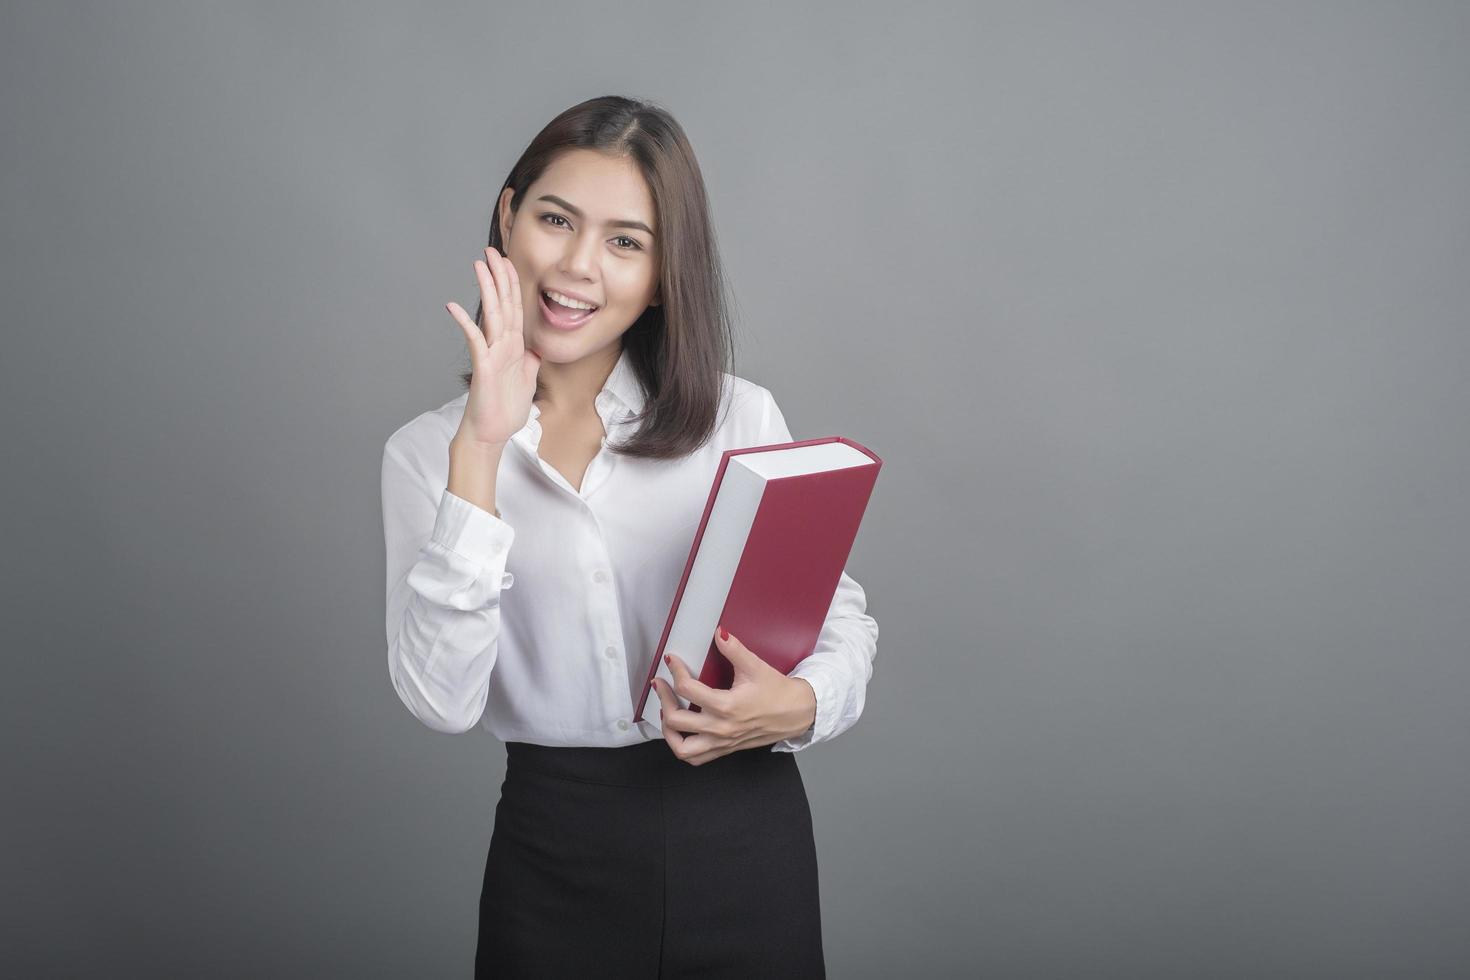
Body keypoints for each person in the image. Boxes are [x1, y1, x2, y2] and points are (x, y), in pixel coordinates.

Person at [380, 95, 879, 979]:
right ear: (508, 214)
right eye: (554, 220)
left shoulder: (738, 416)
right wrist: (482, 449)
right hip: (554, 850)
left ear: (661, 272)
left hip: (743, 836)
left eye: (625, 242)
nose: (577, 268)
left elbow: (837, 621)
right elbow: (441, 701)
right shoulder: (430, 454)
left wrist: (798, 706)